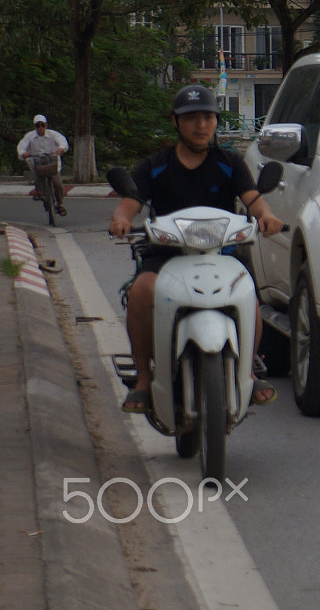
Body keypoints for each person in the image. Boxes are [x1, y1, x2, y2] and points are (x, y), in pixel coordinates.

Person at [109, 85, 285, 414]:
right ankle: (145, 380)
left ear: (216, 122)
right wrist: (120, 219)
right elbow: (130, 204)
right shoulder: (155, 166)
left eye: (207, 117)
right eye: (191, 118)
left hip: (222, 254)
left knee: (248, 295)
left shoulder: (229, 163)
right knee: (141, 292)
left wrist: (268, 216)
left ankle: (248, 371)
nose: (200, 125)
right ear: (175, 122)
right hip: (166, 254)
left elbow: (254, 200)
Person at [17, 114, 68, 216]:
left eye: (42, 125)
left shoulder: (53, 135)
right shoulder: (30, 136)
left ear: (46, 125)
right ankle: (39, 192)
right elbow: (21, 146)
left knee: (58, 184)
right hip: (38, 163)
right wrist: (23, 153)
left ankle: (60, 204)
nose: (40, 128)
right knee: (38, 177)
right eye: (38, 126)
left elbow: (63, 141)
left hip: (52, 163)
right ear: (34, 126)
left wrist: (61, 148)